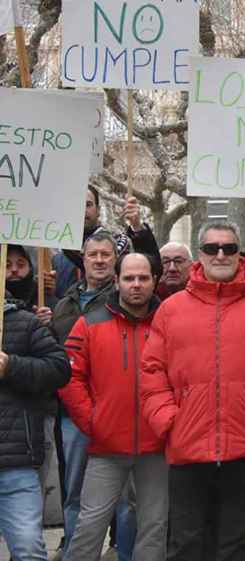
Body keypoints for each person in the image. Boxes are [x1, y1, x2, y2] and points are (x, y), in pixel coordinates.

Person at [140, 220, 245, 561]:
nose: (220, 254)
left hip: (244, 447)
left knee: (233, 546)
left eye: (228, 248)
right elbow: (152, 373)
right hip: (188, 445)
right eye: (212, 248)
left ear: (239, 253)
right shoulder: (171, 309)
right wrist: (169, 421)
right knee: (185, 545)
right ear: (200, 254)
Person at [59, 253, 168, 561]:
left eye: (143, 278)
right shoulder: (89, 323)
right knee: (89, 525)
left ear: (154, 281)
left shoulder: (168, 323)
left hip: (157, 446)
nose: (136, 284)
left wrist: (169, 422)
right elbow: (69, 377)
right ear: (117, 281)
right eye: (129, 278)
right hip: (106, 446)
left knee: (154, 527)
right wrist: (93, 422)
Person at [51, 231, 137, 561]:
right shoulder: (63, 304)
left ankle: (124, 553)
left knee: (125, 499)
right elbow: (58, 358)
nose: (99, 260)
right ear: (83, 260)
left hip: (116, 416)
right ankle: (76, 552)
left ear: (116, 261)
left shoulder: (127, 299)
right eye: (93, 255)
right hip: (72, 414)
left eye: (105, 254)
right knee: (74, 492)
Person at [0, 288, 71, 561]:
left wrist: (11, 366)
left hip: (15, 463)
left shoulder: (24, 322)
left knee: (29, 549)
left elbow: (59, 369)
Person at [53, 188, 159, 299]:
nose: (82, 210)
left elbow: (151, 269)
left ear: (98, 210)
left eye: (88, 205)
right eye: (76, 206)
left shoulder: (119, 241)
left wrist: (137, 226)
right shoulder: (57, 255)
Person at [6, 244, 56, 324]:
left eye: (20, 265)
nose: (14, 269)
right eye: (7, 265)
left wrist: (49, 323)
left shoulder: (45, 301)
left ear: (30, 268)